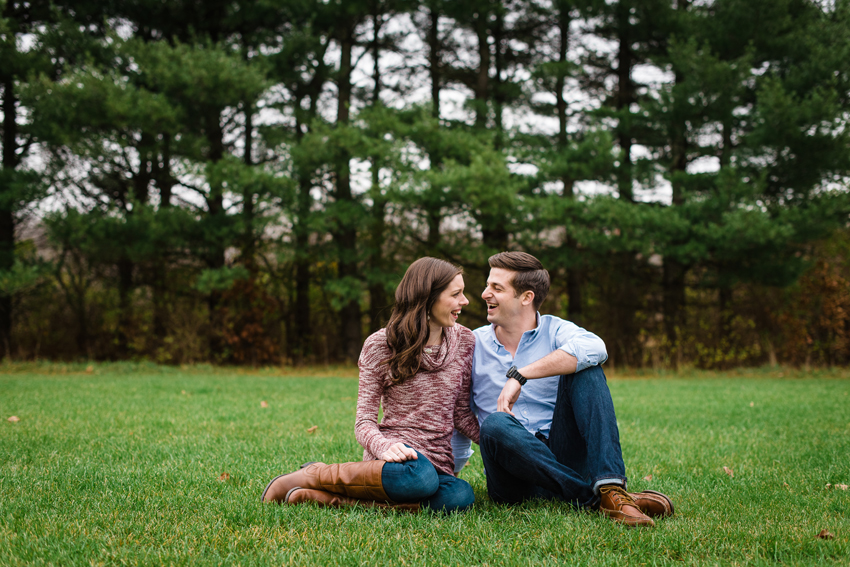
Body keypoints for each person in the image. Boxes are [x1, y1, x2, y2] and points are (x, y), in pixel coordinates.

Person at [452, 251, 673, 527]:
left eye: (496, 288)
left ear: (526, 297)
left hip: (563, 456)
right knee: (496, 424)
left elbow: (596, 348)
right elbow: (458, 409)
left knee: (587, 368)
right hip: (512, 478)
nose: (484, 294)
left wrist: (520, 375)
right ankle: (599, 498)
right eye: (488, 285)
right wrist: (451, 472)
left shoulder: (556, 330)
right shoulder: (471, 344)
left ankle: (610, 487)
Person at [262, 257, 480, 513]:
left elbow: (461, 413)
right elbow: (364, 422)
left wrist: (501, 442)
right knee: (420, 478)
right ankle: (315, 474)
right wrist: (384, 447)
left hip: (437, 465)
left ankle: (329, 499)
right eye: (456, 294)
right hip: (394, 459)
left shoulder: (465, 341)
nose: (464, 301)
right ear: (428, 298)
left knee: (460, 496)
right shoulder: (380, 345)